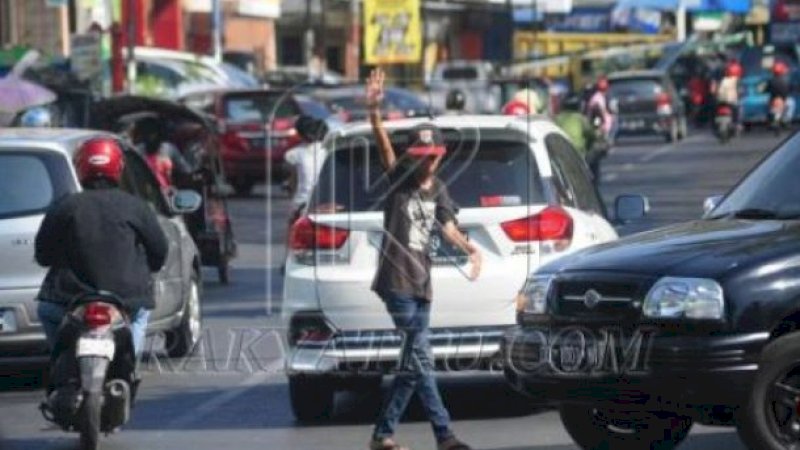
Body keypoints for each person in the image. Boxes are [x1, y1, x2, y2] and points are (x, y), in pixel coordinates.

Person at [366, 68, 482, 450]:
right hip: (396, 282)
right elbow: (383, 146)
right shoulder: (400, 176)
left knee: (412, 366)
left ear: (441, 155)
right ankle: (444, 435)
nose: (427, 163)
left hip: (422, 285)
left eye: (432, 156)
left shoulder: (441, 189)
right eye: (421, 156)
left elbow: (448, 227)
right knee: (422, 359)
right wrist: (374, 112)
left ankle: (382, 435)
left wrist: (470, 248)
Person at [35, 138, 168, 357]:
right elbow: (159, 252)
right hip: (128, 297)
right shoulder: (136, 206)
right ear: (118, 168)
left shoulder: (65, 206)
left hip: (69, 296)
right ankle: (129, 365)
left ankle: (61, 358)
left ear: (81, 168)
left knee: (46, 311)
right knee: (140, 315)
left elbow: (43, 255)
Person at [283, 115, 328, 268]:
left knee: (291, 224)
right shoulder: (329, 150)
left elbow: (294, 182)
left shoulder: (294, 154)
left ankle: (287, 259)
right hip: (327, 199)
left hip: (303, 200)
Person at [133, 116, 192, 189]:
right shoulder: (136, 152)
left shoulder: (169, 149)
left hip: (167, 194)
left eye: (153, 134)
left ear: (159, 134)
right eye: (147, 134)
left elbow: (185, 170)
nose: (150, 138)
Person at [585, 76, 615, 145]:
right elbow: (597, 113)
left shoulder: (600, 97)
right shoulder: (597, 98)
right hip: (600, 123)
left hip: (602, 123)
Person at [714, 61, 743, 129]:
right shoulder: (736, 81)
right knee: (739, 108)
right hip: (731, 102)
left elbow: (715, 90)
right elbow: (740, 91)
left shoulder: (721, 80)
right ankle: (737, 124)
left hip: (720, 101)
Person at [767, 61, 794, 125]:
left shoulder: (770, 80)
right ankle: (785, 120)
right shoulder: (785, 80)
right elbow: (788, 91)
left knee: (769, 105)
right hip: (782, 101)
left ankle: (773, 119)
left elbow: (767, 90)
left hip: (774, 101)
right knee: (792, 103)